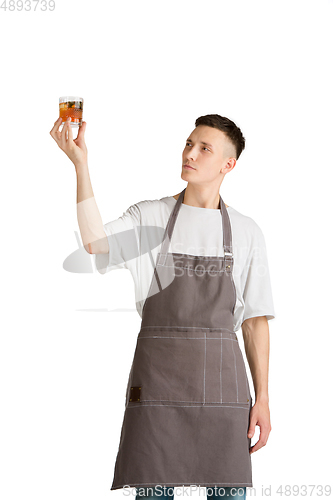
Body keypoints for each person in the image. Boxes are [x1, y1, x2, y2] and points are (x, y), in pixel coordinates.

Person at [50, 114, 275, 500]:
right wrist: (80, 163)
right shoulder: (150, 216)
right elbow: (95, 243)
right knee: (153, 493)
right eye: (189, 143)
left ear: (228, 164)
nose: (190, 153)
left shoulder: (246, 231)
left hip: (224, 390)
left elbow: (255, 322)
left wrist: (264, 399)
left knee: (230, 494)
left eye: (204, 148)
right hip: (157, 387)